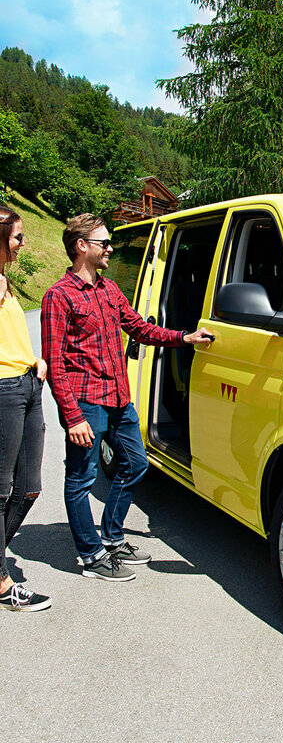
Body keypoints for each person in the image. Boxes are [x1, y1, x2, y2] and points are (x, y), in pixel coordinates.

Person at [41, 213, 212, 582]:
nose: (110, 248)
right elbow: (55, 365)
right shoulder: (58, 296)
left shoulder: (109, 289)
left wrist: (184, 338)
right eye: (104, 243)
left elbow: (139, 328)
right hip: (86, 402)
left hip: (119, 399)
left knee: (136, 464)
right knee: (81, 479)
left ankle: (113, 537)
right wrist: (72, 417)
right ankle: (90, 555)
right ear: (81, 246)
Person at [0, 206, 50, 611]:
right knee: (1, 491)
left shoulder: (6, 282)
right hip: (3, 391)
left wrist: (36, 360)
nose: (22, 243)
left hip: (28, 384)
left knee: (29, 486)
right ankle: (0, 581)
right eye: (17, 236)